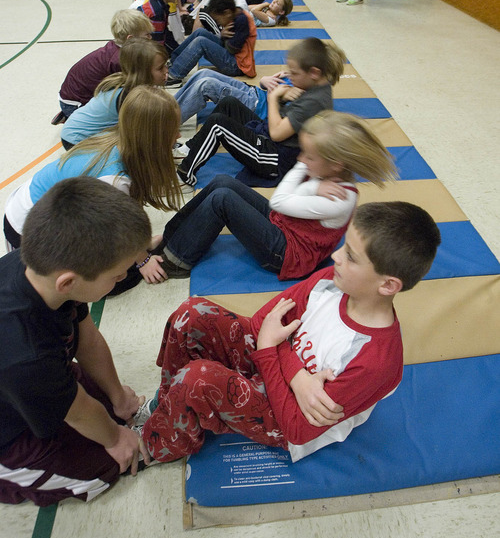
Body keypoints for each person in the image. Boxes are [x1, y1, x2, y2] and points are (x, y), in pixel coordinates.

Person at [136, 201, 441, 464]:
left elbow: (296, 428)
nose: (335, 256)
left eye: (350, 256)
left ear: (387, 285)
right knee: (191, 314)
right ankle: (167, 406)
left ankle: (157, 445)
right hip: (277, 368)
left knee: (197, 379)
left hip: (283, 415)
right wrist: (295, 372)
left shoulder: (376, 361)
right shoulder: (330, 281)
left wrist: (272, 346)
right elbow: (260, 325)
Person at [0, 176, 154, 506]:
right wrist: (114, 439)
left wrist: (116, 396)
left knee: (113, 411)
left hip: (31, 384)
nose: (123, 279)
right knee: (106, 468)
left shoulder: (43, 272)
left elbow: (87, 338)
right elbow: (78, 412)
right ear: (68, 282)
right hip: (8, 433)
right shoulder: (25, 355)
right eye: (116, 275)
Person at [159, 111, 396, 281]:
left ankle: (177, 260)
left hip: (286, 254)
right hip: (285, 223)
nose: (301, 159)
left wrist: (306, 178)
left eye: (309, 156)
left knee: (223, 199)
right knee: (223, 181)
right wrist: (309, 173)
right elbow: (286, 198)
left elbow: (279, 201)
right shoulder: (325, 172)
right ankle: (168, 238)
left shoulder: (339, 199)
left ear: (336, 165)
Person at [5, 86, 182, 288]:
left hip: (45, 212)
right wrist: (142, 260)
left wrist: (141, 244)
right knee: (120, 277)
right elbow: (119, 225)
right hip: (25, 229)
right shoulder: (114, 179)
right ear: (152, 138)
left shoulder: (121, 143)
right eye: (173, 130)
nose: (177, 136)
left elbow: (127, 210)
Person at [176, 37, 345, 186]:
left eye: (294, 73)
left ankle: (185, 174)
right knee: (228, 103)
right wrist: (281, 94)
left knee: (217, 125)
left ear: (314, 72)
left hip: (274, 159)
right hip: (270, 139)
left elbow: (277, 134)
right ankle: (192, 147)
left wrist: (273, 98)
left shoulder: (314, 101)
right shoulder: (316, 87)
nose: (291, 77)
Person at [60, 38, 168, 149]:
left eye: (166, 65)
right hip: (77, 140)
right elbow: (138, 137)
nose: (166, 70)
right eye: (160, 68)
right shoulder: (130, 96)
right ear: (142, 71)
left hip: (75, 132)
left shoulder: (131, 85)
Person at [51, 10, 153, 124]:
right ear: (130, 39)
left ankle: (68, 113)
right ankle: (72, 115)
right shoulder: (119, 60)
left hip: (71, 96)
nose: (150, 38)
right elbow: (126, 92)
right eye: (147, 35)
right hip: (76, 103)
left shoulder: (116, 48)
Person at [166, 0, 257, 86]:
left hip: (237, 65)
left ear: (227, 13)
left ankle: (175, 76)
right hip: (230, 54)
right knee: (200, 32)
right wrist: (222, 35)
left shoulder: (241, 20)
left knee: (201, 42)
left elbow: (233, 49)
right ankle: (174, 61)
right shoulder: (234, 13)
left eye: (218, 20)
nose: (219, 23)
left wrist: (223, 36)